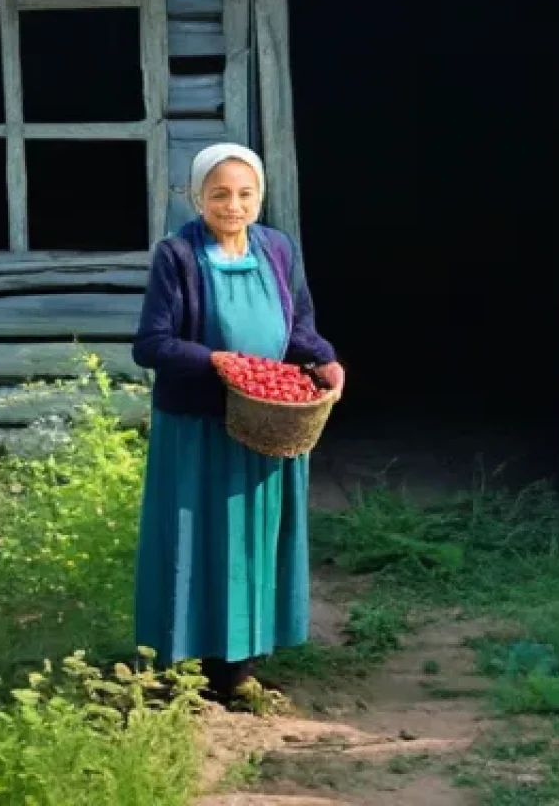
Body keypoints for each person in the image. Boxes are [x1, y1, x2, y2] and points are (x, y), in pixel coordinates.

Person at [132, 142, 344, 707]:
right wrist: (215, 361)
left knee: (254, 545)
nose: (233, 205)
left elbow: (299, 325)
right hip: (200, 426)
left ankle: (243, 671)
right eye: (220, 194)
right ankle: (186, 670)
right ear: (197, 196)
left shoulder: (278, 249)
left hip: (266, 426)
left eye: (245, 194)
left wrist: (323, 358)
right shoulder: (177, 256)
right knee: (198, 541)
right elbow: (151, 345)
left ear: (260, 197)